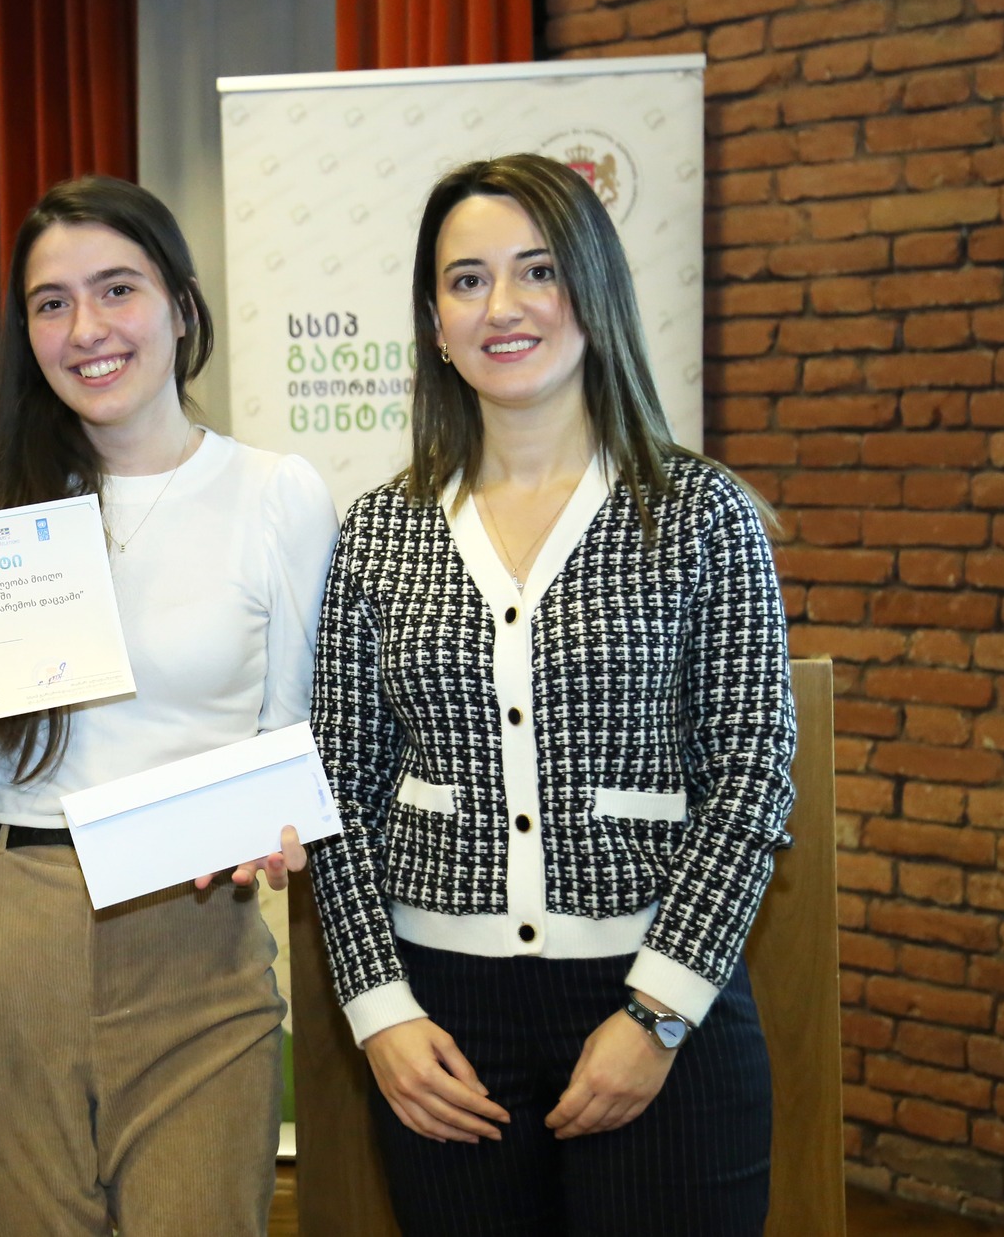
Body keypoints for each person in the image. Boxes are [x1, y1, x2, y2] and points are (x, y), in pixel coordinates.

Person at [0, 175, 338, 1236]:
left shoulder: (275, 495)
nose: (86, 329)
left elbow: (295, 736)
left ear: (180, 304)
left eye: (116, 289)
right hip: (3, 921)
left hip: (193, 930)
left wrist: (281, 824)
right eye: (52, 303)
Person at [307, 153, 796, 1235]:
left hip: (656, 997)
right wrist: (378, 1010)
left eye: (537, 270)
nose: (502, 306)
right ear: (434, 324)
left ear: (593, 288)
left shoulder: (699, 514)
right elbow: (335, 788)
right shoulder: (379, 531)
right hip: (441, 1026)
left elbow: (751, 776)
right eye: (466, 280)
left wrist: (657, 1012)